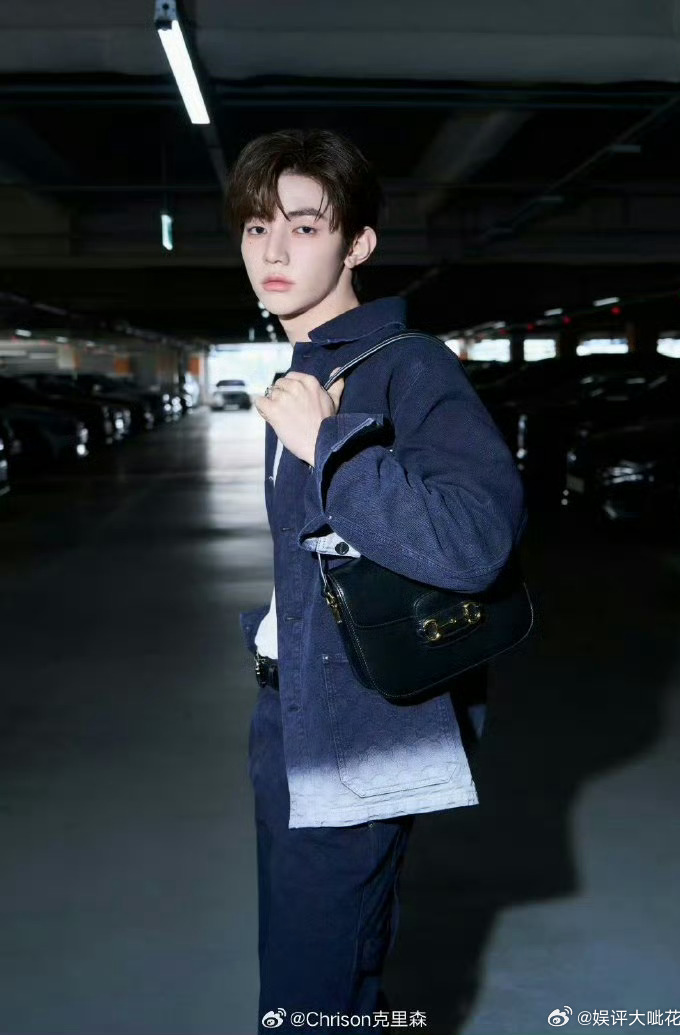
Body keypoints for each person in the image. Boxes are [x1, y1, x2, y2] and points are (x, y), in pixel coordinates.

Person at [227, 128, 526, 1033]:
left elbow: (476, 542)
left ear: (357, 243)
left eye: (304, 226)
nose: (273, 251)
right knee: (323, 979)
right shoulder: (308, 368)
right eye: (255, 227)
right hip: (294, 713)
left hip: (361, 733)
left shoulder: (408, 367)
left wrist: (332, 447)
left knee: (307, 1001)